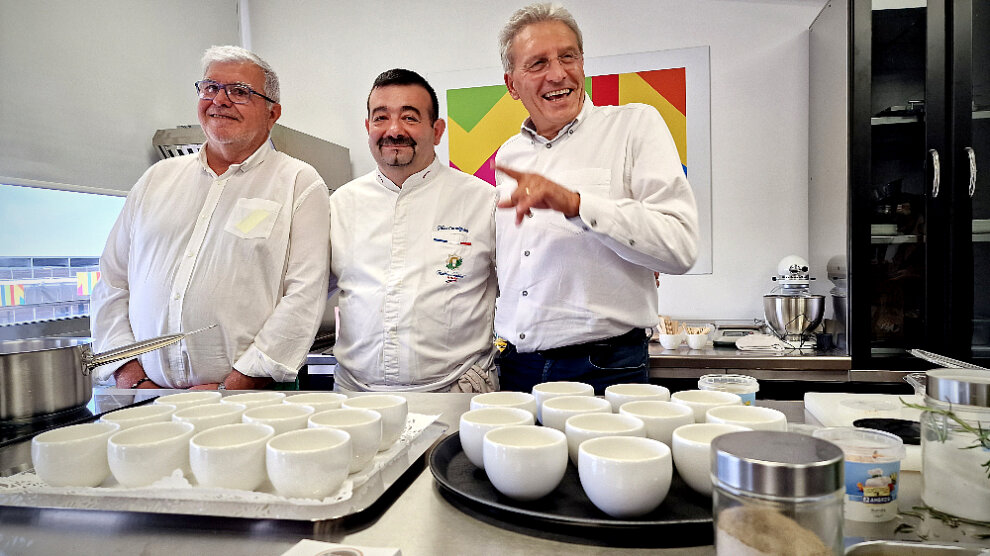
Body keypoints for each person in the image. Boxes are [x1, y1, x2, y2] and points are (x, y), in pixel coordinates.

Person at [90, 45, 330, 391]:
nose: (220, 99)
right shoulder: (155, 180)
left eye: (239, 92)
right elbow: (112, 281)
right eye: (210, 87)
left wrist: (234, 385)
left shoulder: (297, 182)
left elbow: (305, 295)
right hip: (146, 400)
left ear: (272, 113)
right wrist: (131, 378)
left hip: (250, 400)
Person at [493, 3, 699, 394]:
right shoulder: (508, 156)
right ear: (512, 84)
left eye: (567, 56)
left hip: (604, 368)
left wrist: (575, 204)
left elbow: (681, 247)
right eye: (537, 63)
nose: (558, 73)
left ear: (582, 62)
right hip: (516, 367)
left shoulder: (635, 125)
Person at [328, 68, 498, 393]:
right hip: (355, 396)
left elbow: (519, 293)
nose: (394, 130)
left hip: (455, 392)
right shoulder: (340, 205)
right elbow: (308, 292)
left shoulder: (482, 201)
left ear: (437, 130)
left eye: (409, 117)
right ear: (368, 128)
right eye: (381, 118)